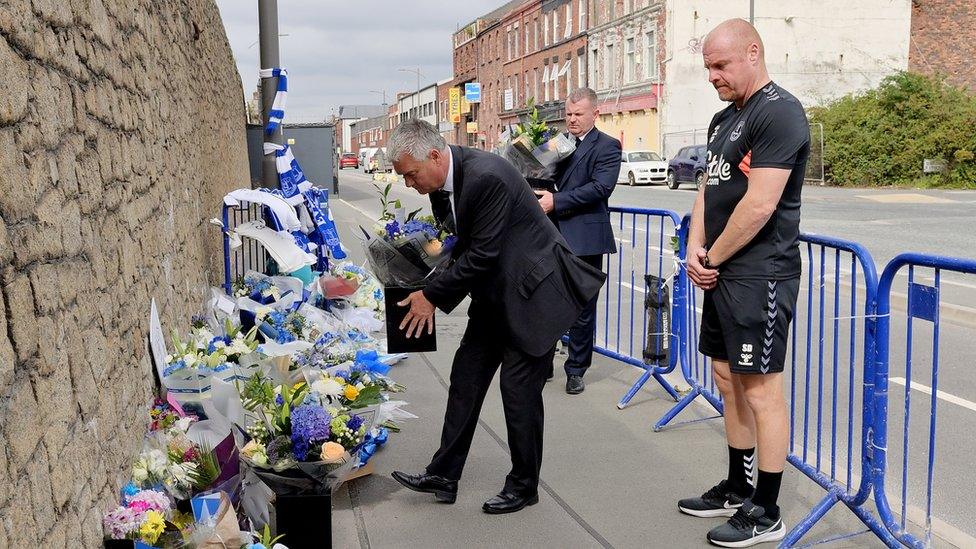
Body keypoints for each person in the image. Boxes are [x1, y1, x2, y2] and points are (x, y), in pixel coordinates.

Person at [387, 119, 605, 514]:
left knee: (517, 392)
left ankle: (524, 486)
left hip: (533, 295)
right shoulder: (442, 185)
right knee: (465, 379)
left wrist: (431, 296)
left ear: (434, 156)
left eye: (411, 174)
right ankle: (444, 474)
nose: (409, 184)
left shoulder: (486, 176)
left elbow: (482, 254)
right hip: (494, 295)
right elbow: (459, 244)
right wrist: (418, 263)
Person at [677, 19, 809, 547]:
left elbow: (760, 205)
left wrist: (712, 255)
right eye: (708, 66)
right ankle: (737, 485)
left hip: (762, 272)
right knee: (726, 374)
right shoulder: (720, 120)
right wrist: (694, 246)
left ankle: (768, 509)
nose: (712, 75)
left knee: (760, 387)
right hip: (722, 267)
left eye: (720, 65)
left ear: (752, 52)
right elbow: (710, 186)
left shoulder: (779, 111)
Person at [535, 87, 621, 395]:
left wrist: (556, 202)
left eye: (578, 114)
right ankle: (543, 363)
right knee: (545, 303)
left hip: (585, 238)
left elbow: (600, 188)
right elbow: (538, 174)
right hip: (551, 235)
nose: (571, 119)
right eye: (568, 114)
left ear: (595, 114)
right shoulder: (555, 144)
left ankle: (576, 370)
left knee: (582, 308)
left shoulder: (608, 146)